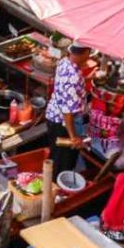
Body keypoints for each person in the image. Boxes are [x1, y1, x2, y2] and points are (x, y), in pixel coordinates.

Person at [45, 41, 92, 175]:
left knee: (56, 153)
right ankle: (56, 186)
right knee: (62, 160)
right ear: (86, 52)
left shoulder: (64, 61)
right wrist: (73, 137)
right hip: (62, 122)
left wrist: (89, 78)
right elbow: (67, 113)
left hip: (53, 113)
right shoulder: (74, 76)